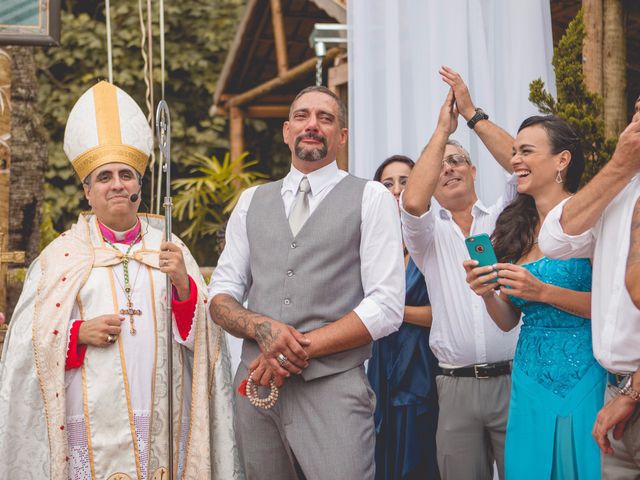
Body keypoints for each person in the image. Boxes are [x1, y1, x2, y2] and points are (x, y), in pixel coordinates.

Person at [0, 81, 239, 479]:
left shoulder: (169, 246)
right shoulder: (61, 256)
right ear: (87, 191)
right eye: (105, 176)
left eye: (126, 175)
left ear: (140, 189)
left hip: (160, 408)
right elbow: (26, 346)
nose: (117, 184)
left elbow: (206, 339)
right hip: (88, 416)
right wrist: (76, 334)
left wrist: (183, 286)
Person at [208, 85, 405, 480]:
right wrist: (260, 328)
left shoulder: (370, 197)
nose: (311, 125)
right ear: (286, 131)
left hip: (333, 389)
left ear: (342, 136)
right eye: (302, 116)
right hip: (256, 389)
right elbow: (220, 294)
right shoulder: (250, 202)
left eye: (325, 118)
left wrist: (293, 351)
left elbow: (385, 307)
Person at [464, 115, 605, 479]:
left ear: (562, 160)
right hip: (528, 375)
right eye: (514, 152)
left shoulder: (593, 220)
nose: (515, 160)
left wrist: (542, 291)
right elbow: (510, 320)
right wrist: (486, 295)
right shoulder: (515, 227)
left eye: (526, 151)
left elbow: (612, 308)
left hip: (586, 373)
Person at [401, 67, 518, 479]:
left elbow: (521, 165)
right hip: (455, 387)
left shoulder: (506, 216)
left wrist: (471, 115)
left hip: (515, 382)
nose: (448, 168)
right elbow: (412, 202)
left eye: (458, 160)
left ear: (474, 171)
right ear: (432, 180)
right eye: (441, 165)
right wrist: (441, 131)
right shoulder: (427, 234)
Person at [539, 95, 640, 478]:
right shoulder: (619, 188)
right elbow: (554, 239)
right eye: (636, 111)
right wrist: (618, 168)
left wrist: (633, 392)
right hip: (614, 394)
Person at [367, 155, 439, 480]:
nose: (397, 190)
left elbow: (449, 315)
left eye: (405, 181)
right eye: (387, 184)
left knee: (420, 459)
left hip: (423, 365)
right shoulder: (372, 248)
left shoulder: (436, 241)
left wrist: (393, 311)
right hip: (381, 364)